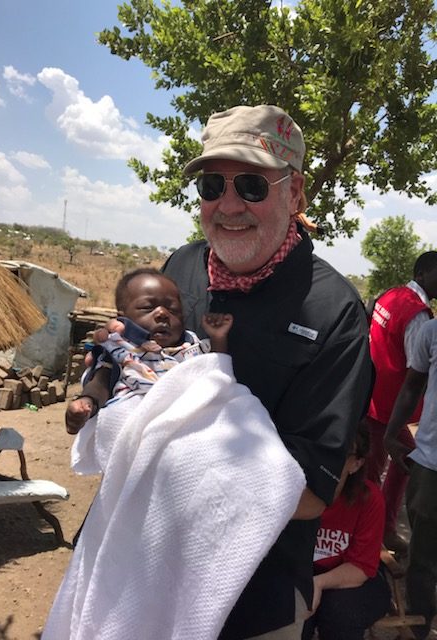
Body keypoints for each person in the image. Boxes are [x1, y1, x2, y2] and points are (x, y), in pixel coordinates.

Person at [162, 104, 373, 639]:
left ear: (296, 192)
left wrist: (172, 454)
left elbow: (307, 494)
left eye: (252, 185)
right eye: (213, 184)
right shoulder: (179, 267)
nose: (228, 204)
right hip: (153, 568)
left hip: (257, 600)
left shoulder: (335, 311)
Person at [65, 268, 232, 434]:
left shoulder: (194, 349)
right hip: (134, 425)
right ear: (122, 317)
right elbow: (100, 382)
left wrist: (218, 338)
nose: (162, 314)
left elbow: (217, 373)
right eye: (147, 307)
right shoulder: (120, 350)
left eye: (173, 309)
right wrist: (88, 401)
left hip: (194, 425)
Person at [363, 252, 437, 553]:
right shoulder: (417, 314)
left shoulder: (392, 295)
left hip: (374, 397)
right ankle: (378, 533)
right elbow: (416, 372)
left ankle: (381, 529)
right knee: (401, 464)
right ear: (421, 274)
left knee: (384, 467)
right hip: (388, 407)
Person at [301, 423, 390, 640]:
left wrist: (319, 583)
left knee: (339, 613)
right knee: (294, 613)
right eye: (324, 448)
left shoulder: (369, 499)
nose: (329, 458)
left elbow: (361, 568)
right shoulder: (296, 490)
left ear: (357, 463)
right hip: (303, 572)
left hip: (351, 577)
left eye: (341, 453)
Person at [384, 317, 437, 639]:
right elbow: (412, 384)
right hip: (431, 465)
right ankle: (419, 629)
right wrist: (392, 434)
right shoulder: (431, 332)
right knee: (423, 560)